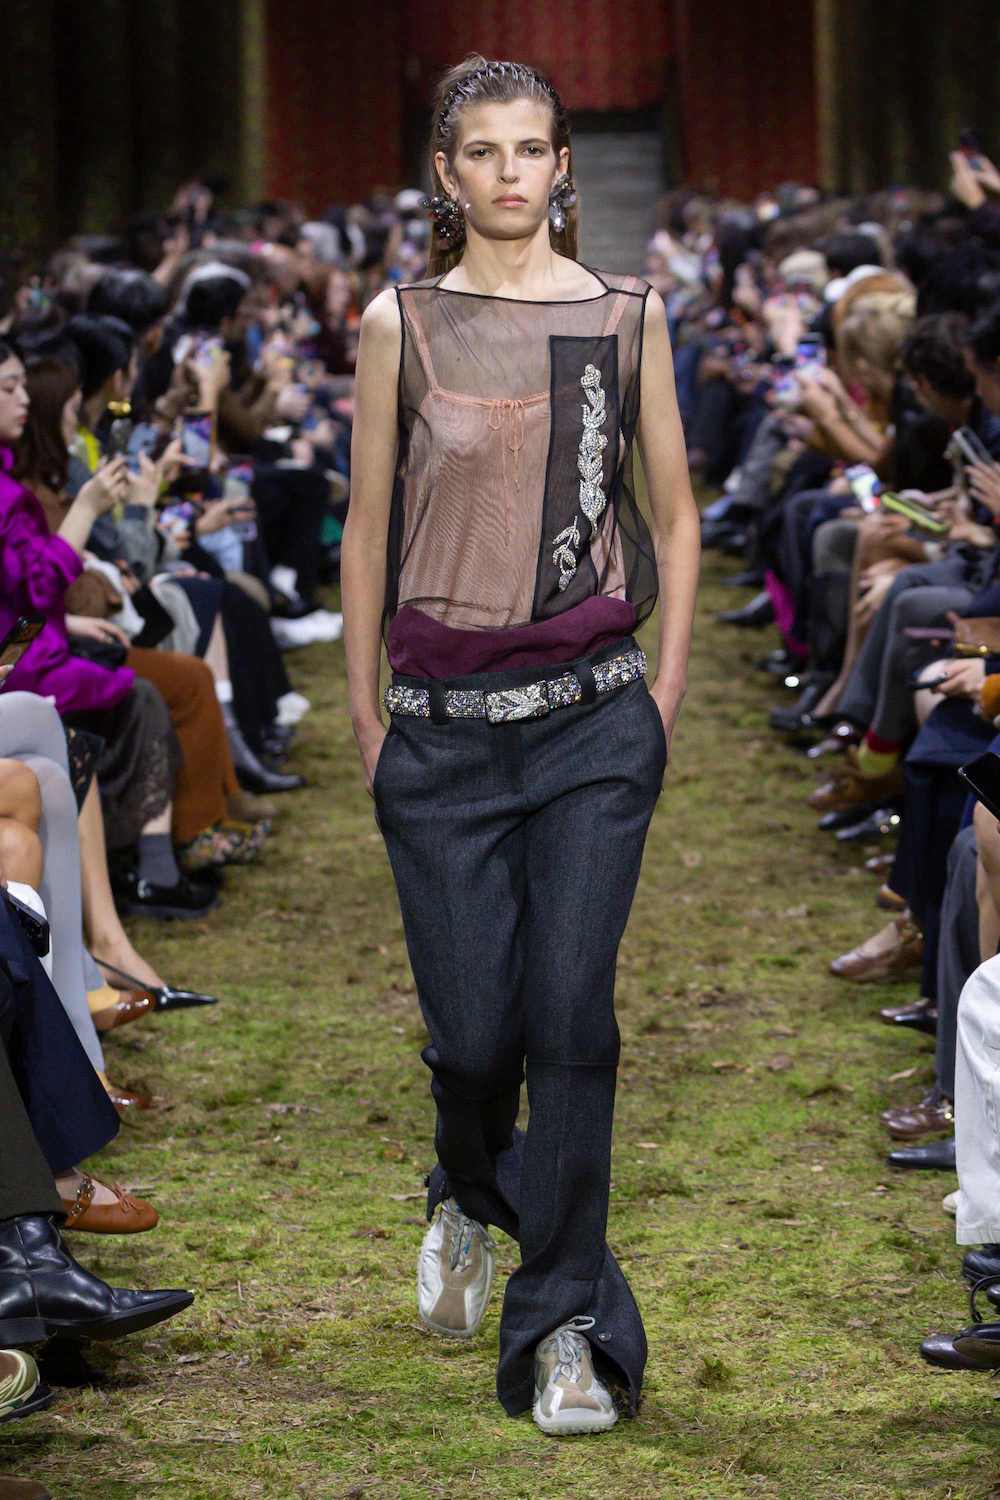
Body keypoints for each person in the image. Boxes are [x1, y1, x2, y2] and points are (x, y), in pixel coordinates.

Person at [341, 55, 699, 1435]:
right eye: (482, 151)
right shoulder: (401, 323)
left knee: (571, 1022)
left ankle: (567, 1332)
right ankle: (466, 1179)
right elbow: (366, 528)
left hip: (593, 723)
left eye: (531, 148)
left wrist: (664, 693)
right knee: (476, 1041)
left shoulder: (624, 316)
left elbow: (674, 515)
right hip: (439, 741)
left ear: (561, 166)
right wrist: (366, 717)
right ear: (446, 173)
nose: (509, 172)